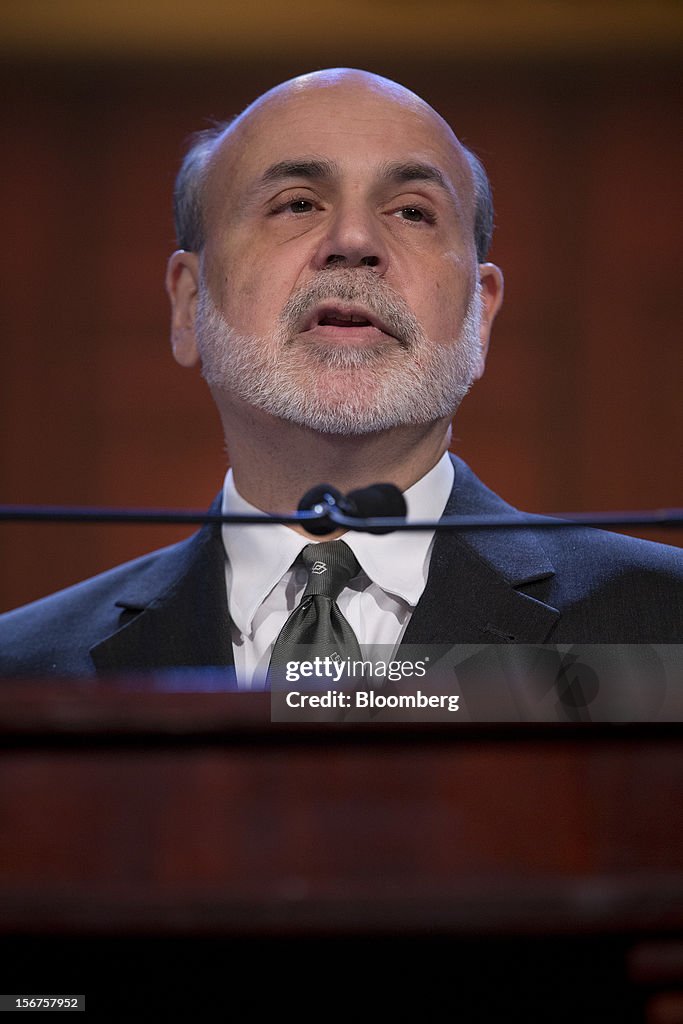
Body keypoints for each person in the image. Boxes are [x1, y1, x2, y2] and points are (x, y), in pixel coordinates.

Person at [0, 67, 680, 685]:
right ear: (187, 303)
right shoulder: (24, 670)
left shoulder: (663, 626)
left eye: (412, 211)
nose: (353, 242)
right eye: (297, 204)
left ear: (481, 317)